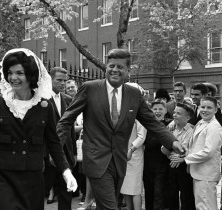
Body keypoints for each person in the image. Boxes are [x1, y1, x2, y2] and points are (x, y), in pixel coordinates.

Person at [56, 48, 185, 210]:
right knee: (111, 206)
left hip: (120, 161)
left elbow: (153, 123)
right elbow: (66, 120)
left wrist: (173, 142)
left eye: (120, 67)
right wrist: (55, 147)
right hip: (96, 160)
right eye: (111, 66)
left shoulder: (134, 94)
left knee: (107, 205)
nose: (115, 70)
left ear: (128, 71)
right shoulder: (90, 88)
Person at [0, 48, 77, 210]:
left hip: (33, 178)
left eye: (19, 73)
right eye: (10, 72)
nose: (13, 78)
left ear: (30, 75)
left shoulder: (44, 106)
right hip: (3, 178)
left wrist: (65, 170)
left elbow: (54, 142)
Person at [171, 96, 222, 210]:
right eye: (203, 107)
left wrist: (185, 158)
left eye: (209, 107)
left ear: (216, 110)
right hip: (198, 172)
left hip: (206, 174)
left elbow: (208, 152)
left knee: (206, 206)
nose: (205, 110)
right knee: (200, 205)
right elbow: (195, 146)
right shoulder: (200, 122)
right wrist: (185, 151)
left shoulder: (214, 127)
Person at [45, 67, 76, 209]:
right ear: (50, 79)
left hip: (66, 154)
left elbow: (70, 130)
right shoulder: (41, 99)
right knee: (42, 191)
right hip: (47, 155)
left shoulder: (69, 100)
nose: (63, 83)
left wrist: (74, 152)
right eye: (59, 80)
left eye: (65, 80)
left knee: (66, 194)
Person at [162, 102, 196, 210]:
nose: (174, 115)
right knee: (171, 196)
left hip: (185, 167)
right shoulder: (170, 128)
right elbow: (163, 149)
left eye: (178, 113)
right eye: (174, 112)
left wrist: (178, 155)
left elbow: (185, 150)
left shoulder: (192, 130)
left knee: (186, 197)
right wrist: (172, 151)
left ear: (187, 117)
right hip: (171, 165)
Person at [143, 99, 171, 210]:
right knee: (148, 193)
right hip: (148, 164)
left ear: (165, 110)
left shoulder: (169, 124)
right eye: (155, 109)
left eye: (160, 109)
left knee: (159, 194)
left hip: (162, 165)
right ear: (151, 111)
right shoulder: (146, 125)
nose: (157, 111)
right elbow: (147, 143)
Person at [120, 119, 146, 210]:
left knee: (135, 189)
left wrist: (131, 149)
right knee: (125, 188)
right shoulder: (123, 114)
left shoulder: (139, 117)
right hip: (122, 154)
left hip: (135, 155)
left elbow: (142, 137)